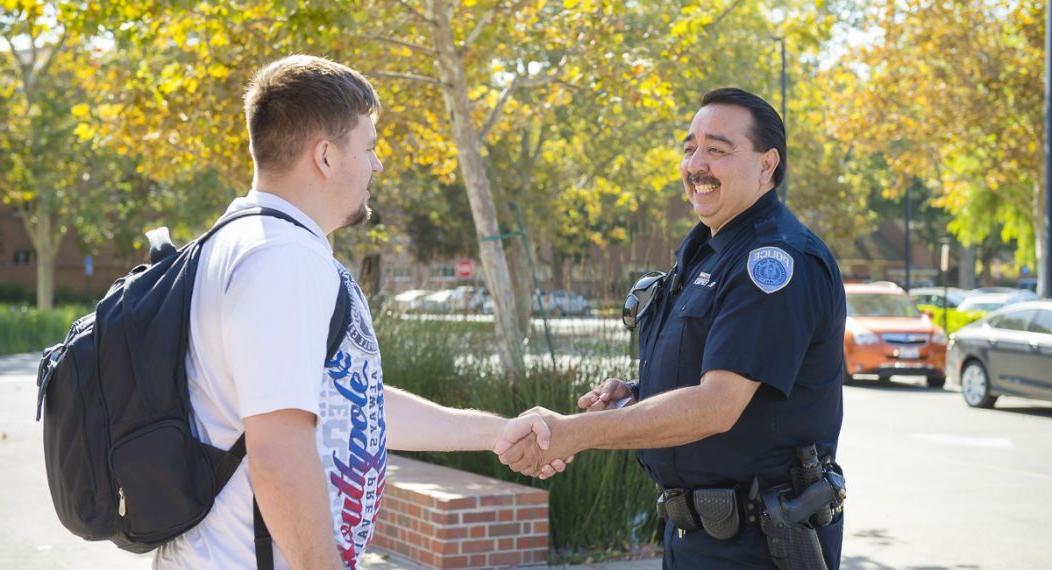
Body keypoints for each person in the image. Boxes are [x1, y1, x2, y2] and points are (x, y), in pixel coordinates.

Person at [154, 55, 558, 570]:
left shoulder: (253, 242)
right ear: (325, 156)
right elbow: (278, 450)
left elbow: (355, 401)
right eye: (368, 148)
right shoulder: (282, 260)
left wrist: (496, 431)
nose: (377, 165)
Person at [500, 88, 847, 569]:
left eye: (717, 150)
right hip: (692, 538)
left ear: (767, 165)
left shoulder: (773, 262)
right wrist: (639, 393)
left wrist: (575, 432)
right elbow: (711, 376)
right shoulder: (708, 252)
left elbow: (716, 406)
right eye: (690, 148)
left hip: (761, 546)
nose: (696, 164)